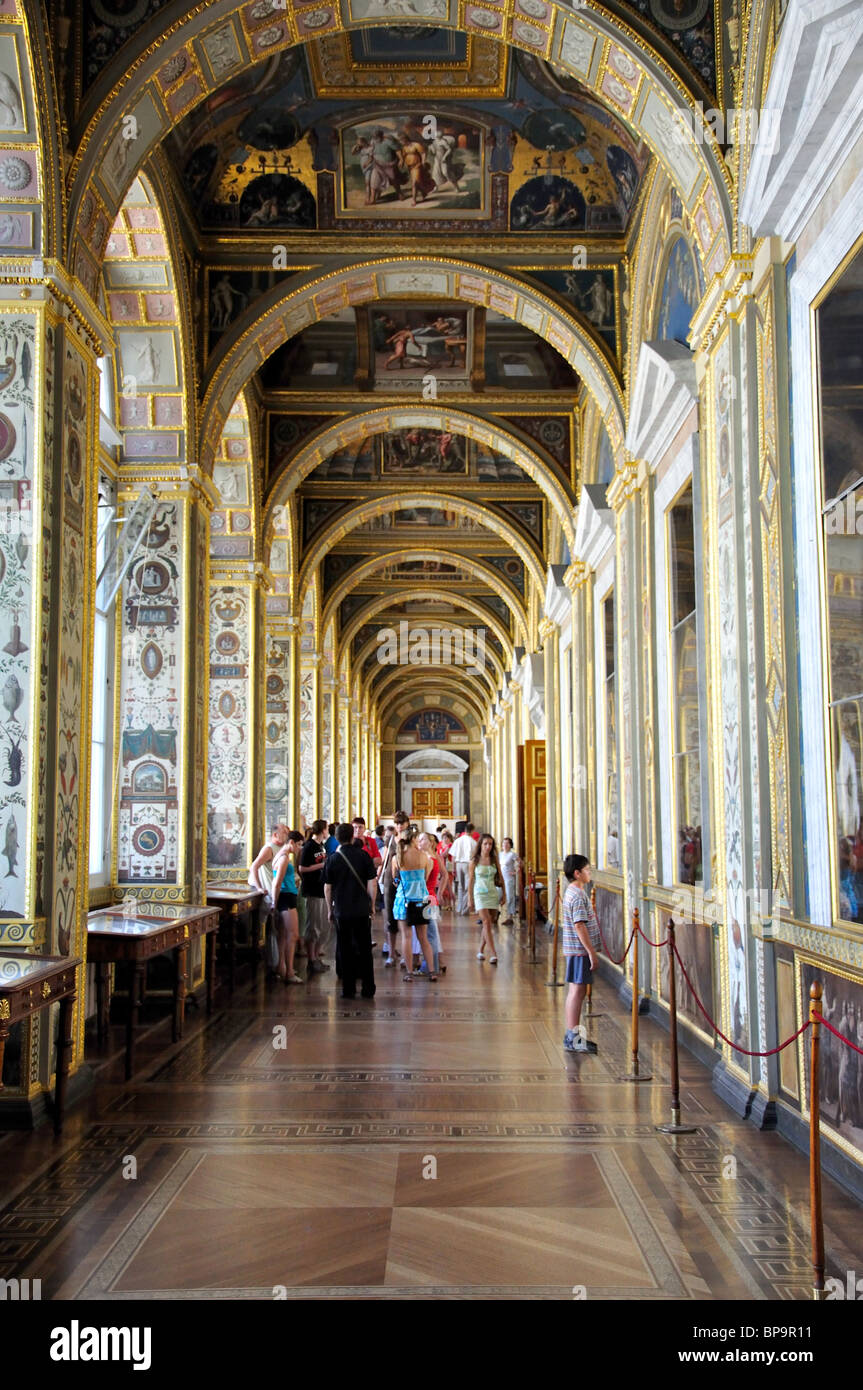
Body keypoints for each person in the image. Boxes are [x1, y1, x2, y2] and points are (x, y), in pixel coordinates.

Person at [323, 823, 377, 999]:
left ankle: (348, 988)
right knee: (364, 948)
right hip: (361, 909)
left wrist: (329, 909)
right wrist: (373, 904)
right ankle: (368, 988)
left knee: (345, 949)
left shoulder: (332, 859)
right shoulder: (363, 856)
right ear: (352, 837)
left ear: (337, 838)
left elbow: (328, 888)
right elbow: (372, 883)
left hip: (342, 910)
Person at [561, 854, 600, 1054]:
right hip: (579, 950)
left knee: (578, 991)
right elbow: (579, 926)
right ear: (577, 873)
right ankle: (572, 1037)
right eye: (587, 870)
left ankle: (573, 1035)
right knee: (577, 992)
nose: (589, 873)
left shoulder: (573, 892)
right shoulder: (577, 895)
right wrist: (591, 952)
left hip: (577, 950)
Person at [394, 823, 436, 981]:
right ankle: (432, 971)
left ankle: (409, 972)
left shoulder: (397, 857)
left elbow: (395, 878)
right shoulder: (424, 856)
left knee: (406, 937)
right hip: (421, 899)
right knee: (423, 937)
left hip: (403, 900)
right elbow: (425, 878)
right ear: (413, 839)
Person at [271, 830, 305, 984]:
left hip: (285, 897)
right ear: (291, 842)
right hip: (286, 898)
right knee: (293, 935)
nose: (299, 848)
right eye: (298, 845)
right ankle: (289, 971)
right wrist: (274, 902)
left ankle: (281, 967)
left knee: (284, 935)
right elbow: (277, 883)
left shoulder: (280, 856)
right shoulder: (284, 858)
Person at [298, 819, 330, 973]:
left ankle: (317, 957)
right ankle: (311, 959)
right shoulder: (309, 846)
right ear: (322, 830)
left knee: (322, 926)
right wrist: (321, 865)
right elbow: (302, 868)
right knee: (313, 926)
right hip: (311, 890)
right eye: (326, 828)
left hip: (321, 889)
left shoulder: (320, 846)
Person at [469, 834, 504, 964]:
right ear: (480, 845)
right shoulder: (474, 861)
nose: (488, 847)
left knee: (489, 923)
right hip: (479, 893)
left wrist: (504, 894)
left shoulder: (494, 859)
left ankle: (481, 949)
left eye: (490, 844)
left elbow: (500, 877)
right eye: (485, 844)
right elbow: (471, 880)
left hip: (492, 893)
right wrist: (470, 898)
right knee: (486, 920)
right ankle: (493, 953)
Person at [379, 812, 408, 965]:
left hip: (406, 881)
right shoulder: (390, 840)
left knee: (405, 917)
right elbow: (385, 860)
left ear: (407, 824)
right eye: (397, 823)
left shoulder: (410, 841)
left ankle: (405, 954)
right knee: (390, 917)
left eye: (402, 823)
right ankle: (391, 953)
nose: (399, 825)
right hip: (390, 880)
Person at [417, 832, 447, 975]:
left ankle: (430, 966)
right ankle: (432, 964)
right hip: (432, 898)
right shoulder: (435, 857)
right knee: (432, 933)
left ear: (430, 842)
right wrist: (439, 891)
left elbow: (423, 879)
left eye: (422, 839)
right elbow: (444, 874)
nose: (419, 841)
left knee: (430, 934)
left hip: (426, 899)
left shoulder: (427, 858)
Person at [450, 823, 475, 914]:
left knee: (460, 886)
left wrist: (453, 868)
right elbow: (474, 857)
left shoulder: (458, 840)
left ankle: (459, 908)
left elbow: (453, 856)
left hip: (458, 864)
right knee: (468, 887)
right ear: (472, 831)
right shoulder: (473, 842)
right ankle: (464, 910)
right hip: (468, 864)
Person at [499, 836, 521, 925]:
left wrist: (515, 872)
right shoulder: (500, 854)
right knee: (498, 894)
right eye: (504, 843)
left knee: (509, 896)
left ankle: (510, 916)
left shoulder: (512, 854)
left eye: (507, 843)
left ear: (510, 845)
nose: (505, 845)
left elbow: (520, 863)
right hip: (501, 878)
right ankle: (496, 912)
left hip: (509, 878)